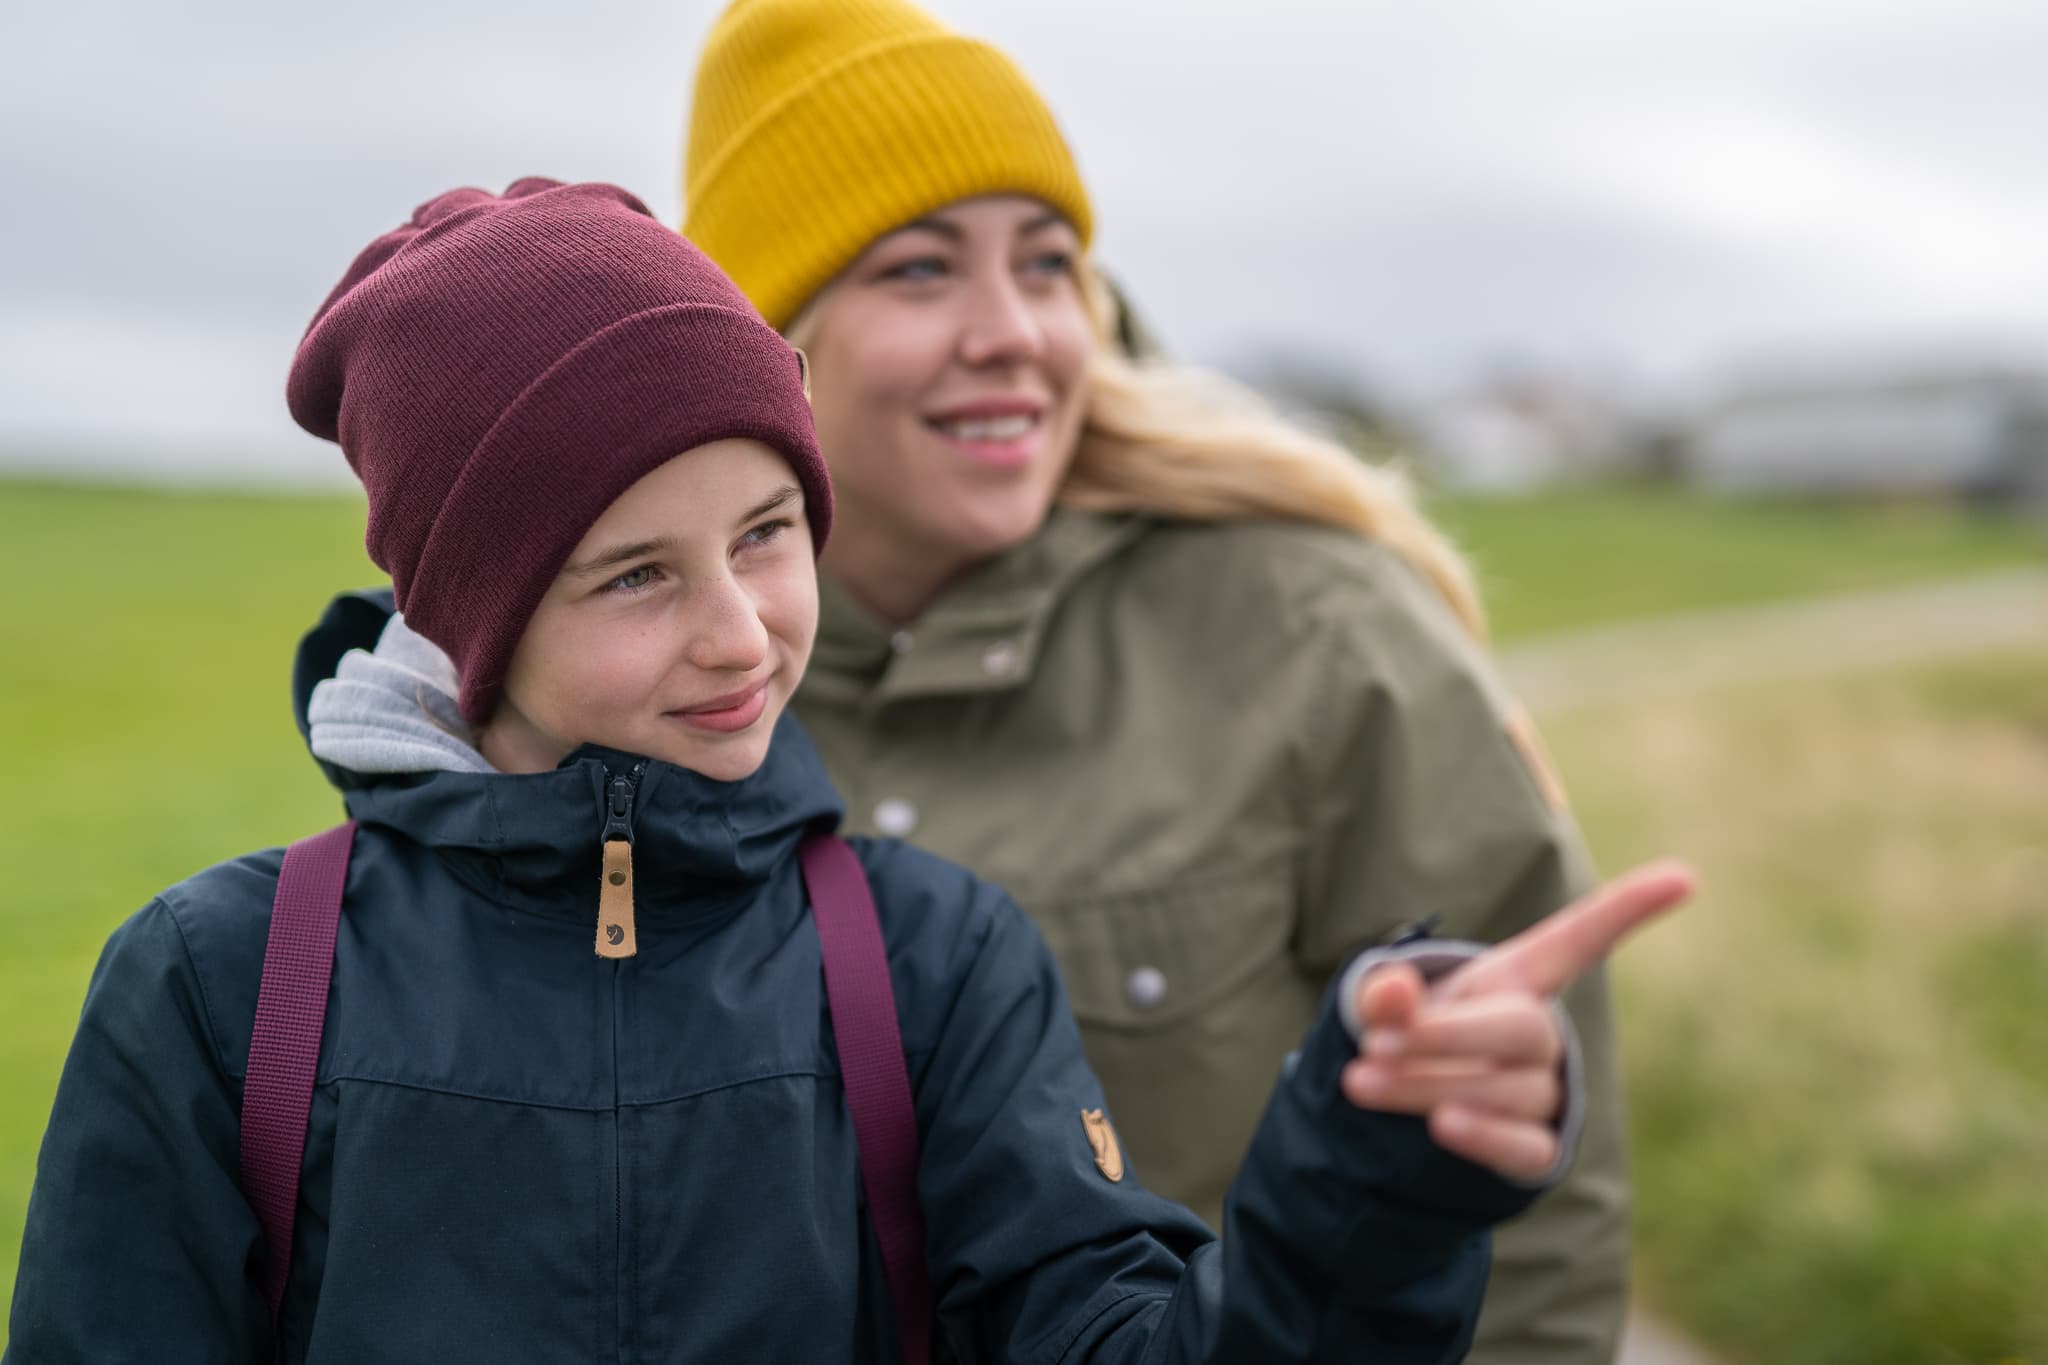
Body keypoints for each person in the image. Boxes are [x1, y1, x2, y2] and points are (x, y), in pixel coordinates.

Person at [2, 178, 1686, 1364]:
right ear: (475, 619)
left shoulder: (936, 960)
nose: (741, 631)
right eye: (637, 575)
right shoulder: (226, 990)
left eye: (765, 536)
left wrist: (1363, 1174)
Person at [679, 3, 1638, 1361]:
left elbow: (1522, 1221)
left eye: (1052, 264)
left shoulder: (1315, 630)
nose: (1014, 331)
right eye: (918, 270)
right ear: (772, 338)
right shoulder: (648, 686)